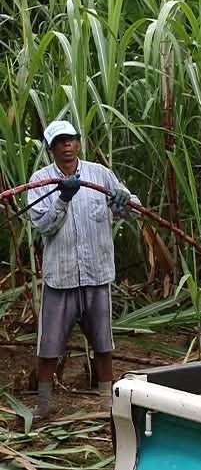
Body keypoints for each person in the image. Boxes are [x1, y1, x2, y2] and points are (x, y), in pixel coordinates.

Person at [27, 118, 139, 422]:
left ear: (78, 142)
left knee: (103, 344)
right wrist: (63, 198)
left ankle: (107, 403)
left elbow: (131, 210)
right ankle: (43, 406)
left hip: (96, 275)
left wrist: (125, 200)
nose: (66, 146)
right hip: (60, 278)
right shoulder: (40, 181)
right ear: (50, 148)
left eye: (71, 139)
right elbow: (44, 226)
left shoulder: (99, 174)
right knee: (49, 346)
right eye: (59, 142)